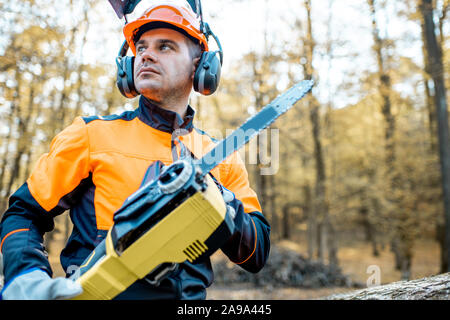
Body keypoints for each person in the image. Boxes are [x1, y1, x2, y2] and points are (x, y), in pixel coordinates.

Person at [0, 0, 270, 300]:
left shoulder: (222, 157)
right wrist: (26, 274)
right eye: (141, 47)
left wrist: (217, 196)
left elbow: (256, 254)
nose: (146, 56)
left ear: (202, 65)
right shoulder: (91, 135)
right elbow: (24, 213)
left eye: (165, 46)